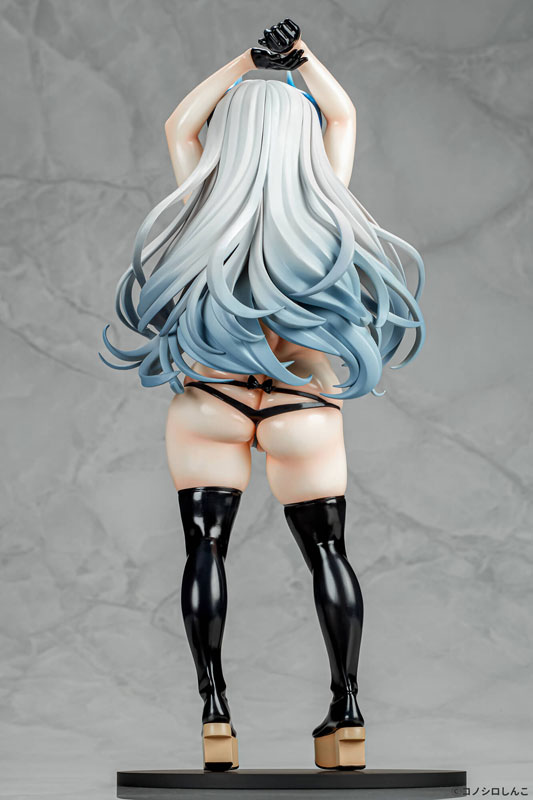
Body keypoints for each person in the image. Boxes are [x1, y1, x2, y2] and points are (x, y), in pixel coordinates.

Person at [101, 19, 425, 771]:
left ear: (230, 140)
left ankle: (215, 712)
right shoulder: (323, 215)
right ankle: (347, 712)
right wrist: (299, 62)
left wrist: (247, 63)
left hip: (209, 401)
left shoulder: (199, 210)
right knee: (329, 552)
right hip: (301, 404)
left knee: (203, 548)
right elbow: (343, 115)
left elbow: (178, 125)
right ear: (300, 143)